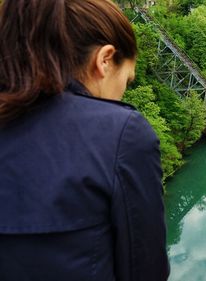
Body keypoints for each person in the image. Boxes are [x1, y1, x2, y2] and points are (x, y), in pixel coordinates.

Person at [0, 0, 169, 280]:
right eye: (127, 81)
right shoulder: (119, 134)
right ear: (104, 59)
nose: (122, 95)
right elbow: (145, 271)